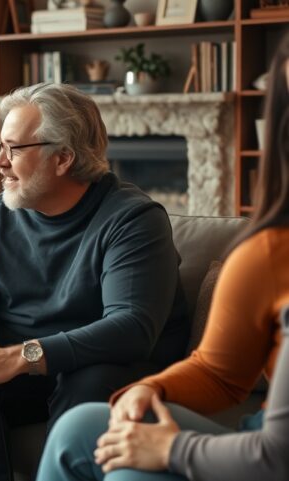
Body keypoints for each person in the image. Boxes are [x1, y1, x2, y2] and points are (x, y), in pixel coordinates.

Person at [36, 32, 289, 481]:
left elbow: (277, 458)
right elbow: (220, 373)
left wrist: (172, 449)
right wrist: (152, 388)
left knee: (129, 470)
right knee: (82, 427)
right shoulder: (267, 254)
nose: (0, 161)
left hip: (270, 458)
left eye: (12, 147)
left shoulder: (131, 219)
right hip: (257, 440)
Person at [0, 82, 191, 481]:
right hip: (27, 373)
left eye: (14, 149)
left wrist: (17, 357)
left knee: (94, 379)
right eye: (0, 145)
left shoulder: (133, 219)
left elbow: (131, 328)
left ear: (63, 157)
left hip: (106, 365)